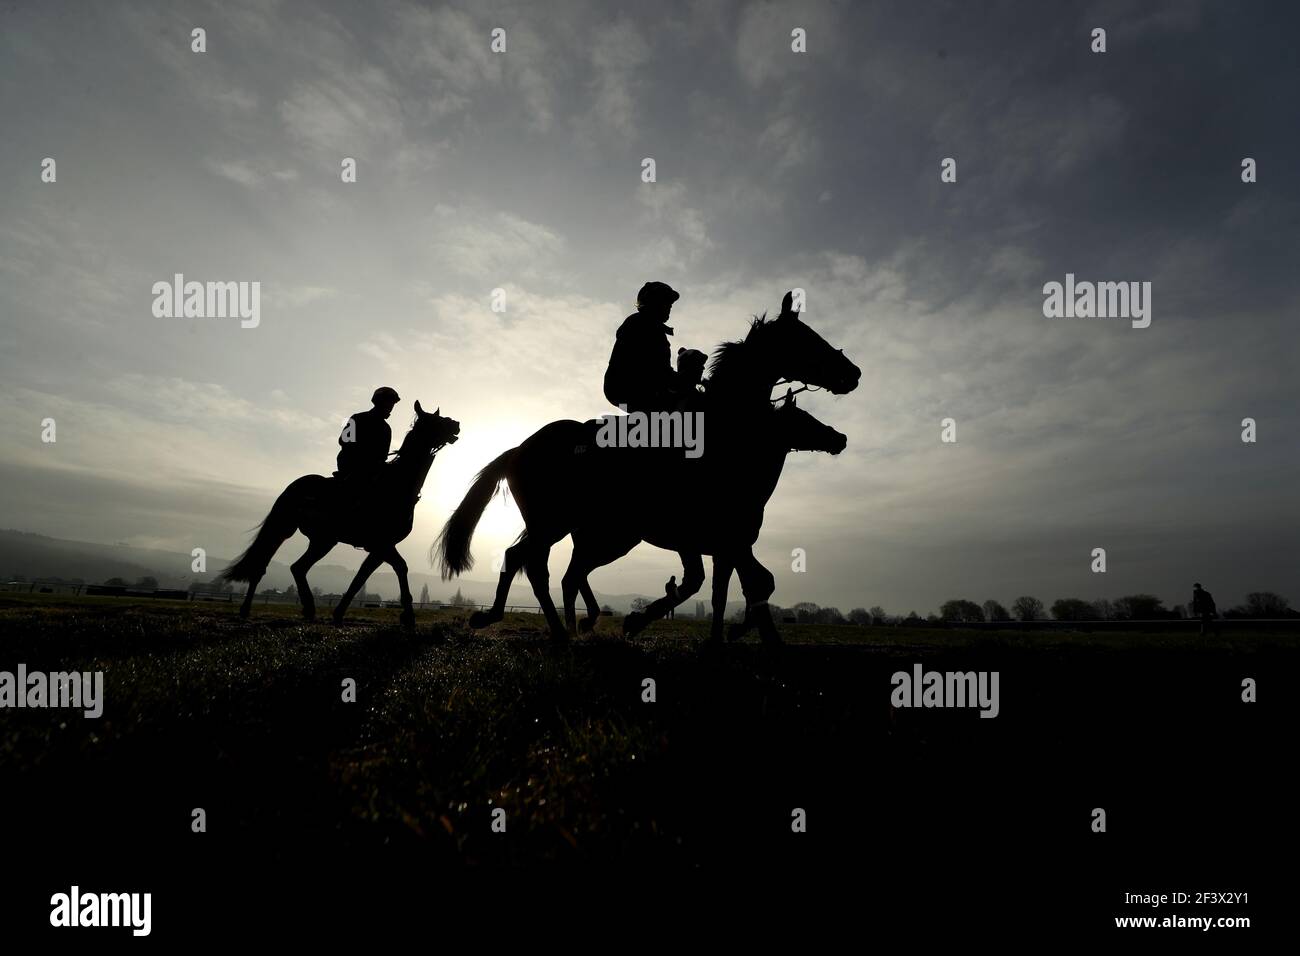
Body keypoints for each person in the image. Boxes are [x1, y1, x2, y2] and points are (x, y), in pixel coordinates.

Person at [603, 281, 682, 413]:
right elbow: (656, 370)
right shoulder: (643, 325)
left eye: (670, 304)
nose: (669, 307)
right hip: (630, 390)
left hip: (634, 389)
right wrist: (682, 380)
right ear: (654, 302)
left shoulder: (650, 326)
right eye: (666, 302)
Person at [336, 386, 400, 482]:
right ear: (379, 401)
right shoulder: (357, 417)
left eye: (392, 404)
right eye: (389, 402)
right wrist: (365, 454)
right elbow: (344, 441)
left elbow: (383, 455)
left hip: (374, 468)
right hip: (350, 464)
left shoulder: (387, 428)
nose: (391, 407)